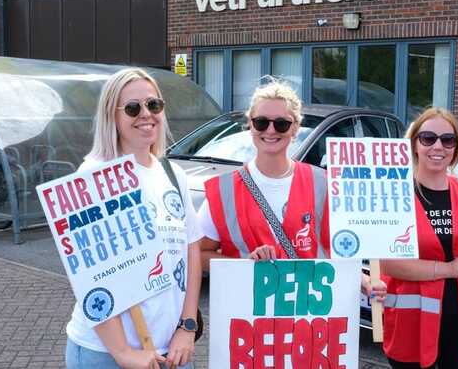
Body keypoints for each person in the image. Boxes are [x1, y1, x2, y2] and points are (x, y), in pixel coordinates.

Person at [197, 79, 385, 299]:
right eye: (261, 122)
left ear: (295, 127)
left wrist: (365, 281)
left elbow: (341, 249)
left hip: (310, 316)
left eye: (281, 124)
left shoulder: (324, 183)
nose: (270, 130)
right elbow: (199, 254)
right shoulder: (223, 189)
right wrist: (244, 264)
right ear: (250, 124)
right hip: (250, 315)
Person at [65, 68, 201, 369]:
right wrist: (124, 352)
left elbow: (191, 249)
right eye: (132, 108)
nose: (146, 114)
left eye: (153, 105)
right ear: (111, 116)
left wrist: (187, 326)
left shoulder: (172, 173)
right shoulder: (93, 174)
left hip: (170, 350)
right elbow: (88, 275)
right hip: (105, 354)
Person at [380, 107, 458, 369]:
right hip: (412, 324)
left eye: (447, 140)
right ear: (414, 145)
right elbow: (388, 263)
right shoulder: (393, 195)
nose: (438, 146)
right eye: (428, 138)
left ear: (456, 148)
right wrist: (449, 268)